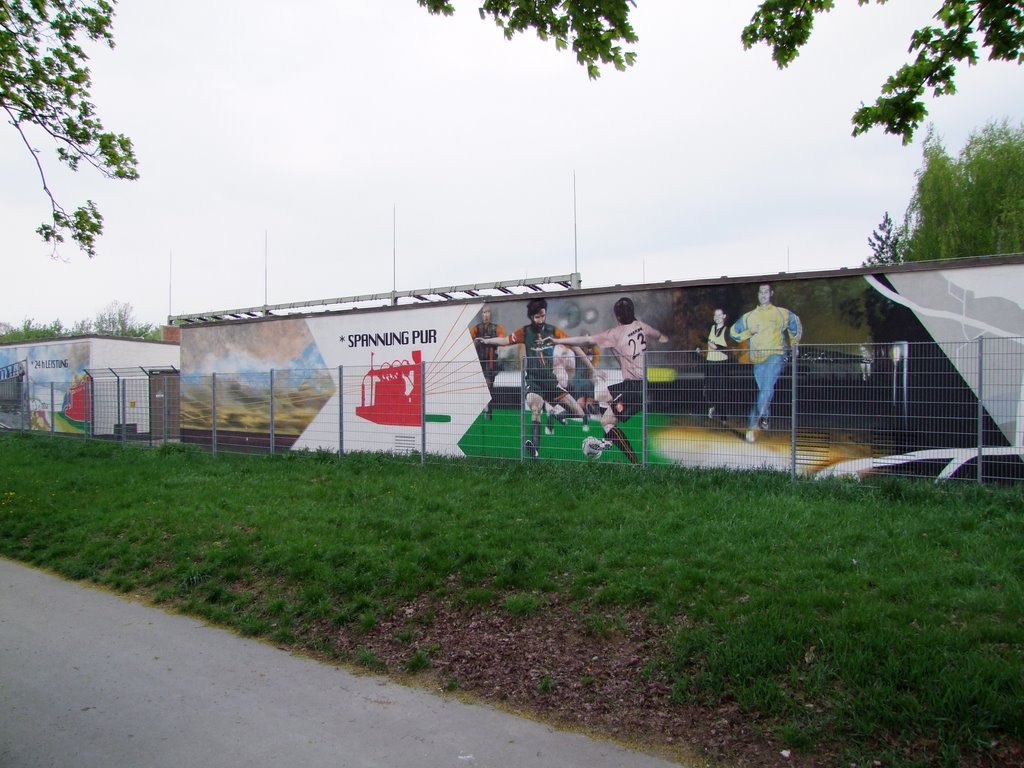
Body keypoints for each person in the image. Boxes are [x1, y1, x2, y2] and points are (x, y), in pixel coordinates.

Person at [549, 296, 667, 464]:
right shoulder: (640, 326)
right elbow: (657, 335)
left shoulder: (616, 333)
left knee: (607, 420)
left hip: (635, 388)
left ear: (617, 317)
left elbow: (586, 340)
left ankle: (634, 463)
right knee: (602, 395)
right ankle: (609, 437)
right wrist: (663, 338)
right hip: (634, 384)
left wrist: (558, 340)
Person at [475, 298, 593, 458]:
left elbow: (574, 346)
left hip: (551, 384)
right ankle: (535, 450)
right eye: (537, 317)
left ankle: (558, 415)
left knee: (580, 414)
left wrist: (591, 367)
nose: (541, 320)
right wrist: (487, 341)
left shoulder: (553, 331)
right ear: (531, 317)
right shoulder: (524, 332)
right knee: (536, 410)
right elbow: (504, 340)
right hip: (534, 383)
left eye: (543, 316)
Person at [729, 283, 802, 443]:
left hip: (775, 356)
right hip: (758, 360)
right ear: (758, 295)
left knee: (767, 388)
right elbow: (733, 333)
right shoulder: (749, 317)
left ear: (771, 294)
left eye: (766, 292)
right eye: (761, 292)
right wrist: (749, 332)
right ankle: (755, 423)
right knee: (763, 392)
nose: (763, 294)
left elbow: (794, 323)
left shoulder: (780, 313)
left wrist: (794, 342)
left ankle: (762, 419)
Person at [469, 304, 505, 419]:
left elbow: (503, 340)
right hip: (478, 362)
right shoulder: (476, 328)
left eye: (488, 312)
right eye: (484, 313)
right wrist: (475, 343)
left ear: (491, 314)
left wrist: (488, 341)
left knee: (489, 385)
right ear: (481, 315)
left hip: (491, 362)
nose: (486, 315)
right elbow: (468, 343)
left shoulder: (497, 328)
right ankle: (485, 408)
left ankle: (488, 408)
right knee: (481, 386)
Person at [701, 308, 730, 421]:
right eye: (715, 315)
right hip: (710, 362)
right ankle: (712, 406)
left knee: (721, 389)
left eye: (719, 315)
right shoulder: (712, 328)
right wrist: (702, 350)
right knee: (709, 387)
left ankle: (723, 416)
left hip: (721, 363)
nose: (717, 317)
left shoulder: (727, 330)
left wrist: (716, 347)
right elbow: (709, 344)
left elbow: (728, 348)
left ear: (724, 316)